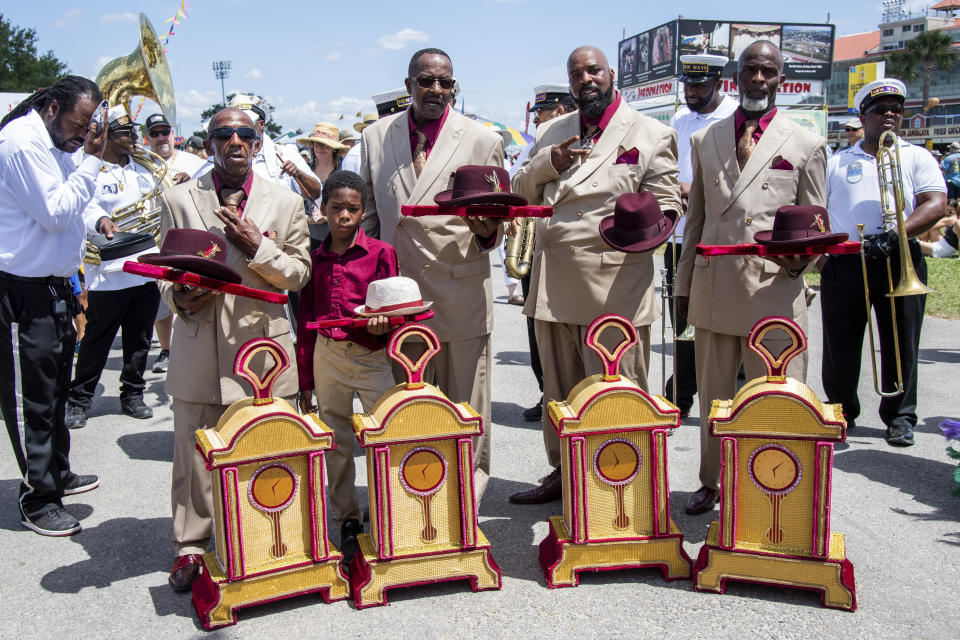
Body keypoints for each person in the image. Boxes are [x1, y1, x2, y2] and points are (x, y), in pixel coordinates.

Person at [510, 45, 682, 504]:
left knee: (617, 392)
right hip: (553, 283)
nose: (585, 79)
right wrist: (551, 164)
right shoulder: (552, 131)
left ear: (611, 75)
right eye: (576, 74)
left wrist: (646, 229)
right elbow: (520, 187)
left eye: (593, 71)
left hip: (615, 285)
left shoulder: (650, 133)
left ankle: (626, 483)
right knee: (559, 391)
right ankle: (564, 474)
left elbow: (669, 203)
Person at [161, 107, 311, 591]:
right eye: (223, 134)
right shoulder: (179, 198)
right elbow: (164, 274)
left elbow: (298, 274)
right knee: (193, 451)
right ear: (209, 145)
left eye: (245, 134)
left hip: (261, 350)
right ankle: (191, 544)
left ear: (259, 142)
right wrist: (178, 297)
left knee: (267, 446)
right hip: (199, 343)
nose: (235, 142)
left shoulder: (285, 203)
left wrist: (256, 247)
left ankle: (271, 534)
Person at [675, 40, 827, 515]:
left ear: (783, 78)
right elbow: (695, 220)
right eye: (750, 70)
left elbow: (818, 224)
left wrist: (805, 266)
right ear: (734, 77)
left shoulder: (805, 143)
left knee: (775, 398)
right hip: (714, 287)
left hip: (774, 291)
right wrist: (682, 287)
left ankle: (772, 486)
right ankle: (711, 481)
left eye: (769, 71)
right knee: (713, 397)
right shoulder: (707, 139)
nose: (759, 79)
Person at [360, 48, 503, 502]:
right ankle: (414, 497)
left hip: (459, 293)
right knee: (407, 406)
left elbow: (499, 221)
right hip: (397, 299)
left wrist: (486, 234)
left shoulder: (481, 139)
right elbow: (368, 218)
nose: (436, 90)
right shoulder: (374, 137)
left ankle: (466, 501)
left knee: (467, 406)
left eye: (444, 83)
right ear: (408, 86)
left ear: (454, 88)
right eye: (426, 81)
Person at [0, 75, 107, 536]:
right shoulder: (23, 144)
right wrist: (94, 160)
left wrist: (99, 222)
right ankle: (37, 496)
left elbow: (73, 209)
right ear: (51, 109)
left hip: (53, 283)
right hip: (22, 287)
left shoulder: (56, 146)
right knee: (36, 398)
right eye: (78, 125)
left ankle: (56, 471)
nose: (82, 137)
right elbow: (56, 211)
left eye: (88, 130)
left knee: (57, 389)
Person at [821, 78, 947, 446]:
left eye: (896, 109)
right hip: (847, 262)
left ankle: (900, 416)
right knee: (840, 342)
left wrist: (895, 235)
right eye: (880, 110)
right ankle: (841, 410)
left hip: (899, 259)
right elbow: (821, 209)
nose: (890, 115)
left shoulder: (916, 155)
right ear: (863, 116)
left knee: (900, 341)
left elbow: (935, 204)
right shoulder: (839, 161)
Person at [296, 170, 398, 566]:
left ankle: (384, 508)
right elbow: (305, 317)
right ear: (322, 210)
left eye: (352, 209)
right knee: (336, 440)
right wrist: (306, 379)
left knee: (381, 434)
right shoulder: (313, 258)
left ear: (363, 212)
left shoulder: (381, 253)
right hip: (327, 357)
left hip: (372, 356)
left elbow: (396, 311)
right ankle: (347, 519)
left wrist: (384, 324)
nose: (343, 216)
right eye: (335, 208)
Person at [64, 106, 161, 429]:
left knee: (140, 338)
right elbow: (84, 204)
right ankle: (80, 399)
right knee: (96, 340)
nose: (133, 138)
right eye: (125, 133)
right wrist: (100, 220)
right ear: (106, 136)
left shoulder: (143, 170)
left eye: (133, 132)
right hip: (109, 272)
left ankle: (133, 394)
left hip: (145, 263)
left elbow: (157, 205)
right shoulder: (90, 169)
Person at [664, 54, 738, 418]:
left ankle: (731, 392)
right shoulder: (680, 119)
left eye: (699, 85)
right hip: (681, 235)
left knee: (728, 320)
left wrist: (695, 189)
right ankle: (682, 392)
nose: (691, 91)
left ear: (718, 83)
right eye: (688, 85)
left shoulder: (735, 117)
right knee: (684, 322)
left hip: (721, 234)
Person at [513, 83, 578, 423]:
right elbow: (520, 185)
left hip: (566, 250)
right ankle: (546, 391)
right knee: (536, 325)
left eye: (543, 113)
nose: (537, 119)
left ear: (561, 113)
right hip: (534, 244)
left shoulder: (576, 141)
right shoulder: (540, 142)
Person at [143, 112, 207, 375]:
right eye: (154, 133)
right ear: (147, 138)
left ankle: (192, 345)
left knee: (194, 291)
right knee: (163, 296)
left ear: (173, 133)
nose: (161, 138)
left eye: (164, 132)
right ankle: (166, 348)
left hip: (190, 236)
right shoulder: (141, 164)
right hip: (157, 235)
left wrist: (190, 184)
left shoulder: (193, 162)